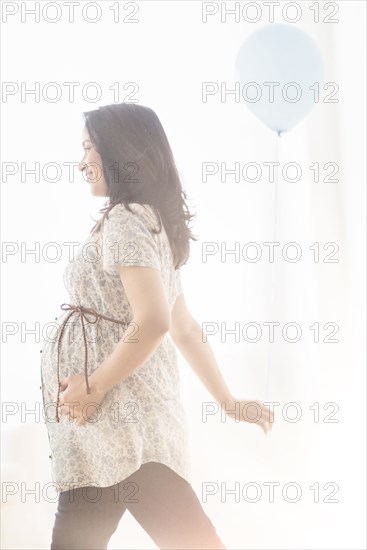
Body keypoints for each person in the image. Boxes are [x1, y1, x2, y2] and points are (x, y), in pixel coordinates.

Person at [40, 103, 274, 550]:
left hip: (128, 431)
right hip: (110, 436)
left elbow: (155, 322)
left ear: (119, 152)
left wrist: (93, 385)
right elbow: (182, 325)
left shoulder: (128, 220)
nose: (81, 161)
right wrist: (227, 401)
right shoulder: (147, 223)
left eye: (89, 147)